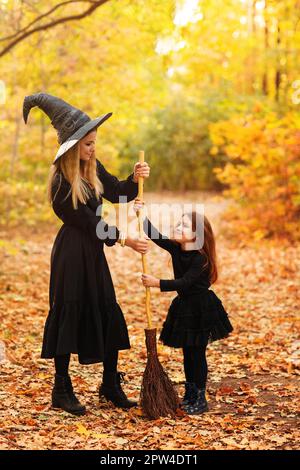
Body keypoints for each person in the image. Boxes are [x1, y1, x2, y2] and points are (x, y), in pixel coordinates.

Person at [23, 92, 150, 416]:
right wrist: (124, 239)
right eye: (88, 143)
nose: (93, 148)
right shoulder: (62, 183)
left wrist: (135, 178)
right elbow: (90, 222)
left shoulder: (92, 168)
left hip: (92, 254)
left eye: (94, 142)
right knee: (70, 311)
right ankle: (61, 388)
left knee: (107, 309)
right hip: (71, 254)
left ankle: (109, 384)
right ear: (72, 145)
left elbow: (119, 193)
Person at [134, 199, 233, 415]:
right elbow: (156, 235)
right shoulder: (177, 248)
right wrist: (141, 214)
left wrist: (157, 283)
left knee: (197, 354)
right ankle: (190, 392)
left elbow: (185, 282)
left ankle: (200, 397)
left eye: (184, 226)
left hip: (201, 309)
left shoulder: (200, 258)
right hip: (185, 307)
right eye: (178, 224)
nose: (178, 228)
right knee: (188, 354)